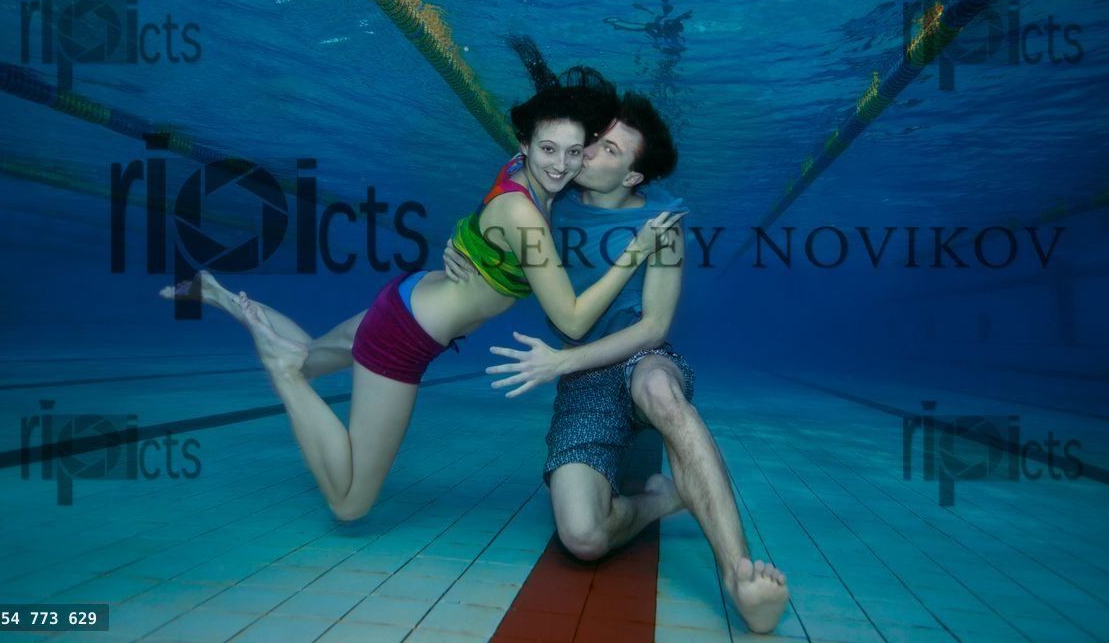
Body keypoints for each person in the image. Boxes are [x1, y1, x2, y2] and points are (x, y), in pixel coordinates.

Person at [161, 65, 684, 524]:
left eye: (576, 152)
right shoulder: (525, 212)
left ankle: (222, 295)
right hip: (404, 337)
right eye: (549, 150)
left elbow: (486, 216)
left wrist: (461, 238)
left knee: (310, 359)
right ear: (524, 144)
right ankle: (277, 369)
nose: (563, 164)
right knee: (349, 503)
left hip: (409, 299)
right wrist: (635, 251)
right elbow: (570, 321)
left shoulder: (523, 175)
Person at [444, 71, 790, 634]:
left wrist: (562, 360)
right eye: (593, 138)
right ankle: (664, 499)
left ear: (631, 174)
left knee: (659, 388)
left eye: (606, 148)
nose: (584, 153)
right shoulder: (551, 193)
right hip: (583, 383)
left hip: (636, 358)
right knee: (583, 538)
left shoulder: (663, 225)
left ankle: (738, 576)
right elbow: (500, 209)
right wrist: (459, 244)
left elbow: (654, 325)